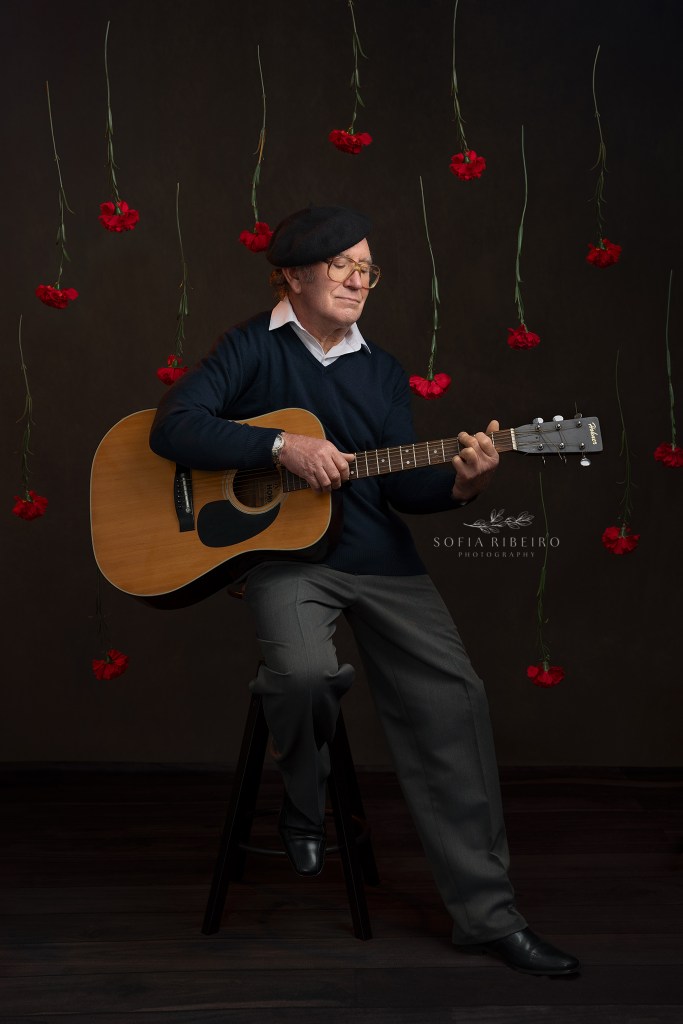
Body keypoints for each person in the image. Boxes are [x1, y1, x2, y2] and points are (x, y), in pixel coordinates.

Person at [149, 206, 580, 976]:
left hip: (380, 559)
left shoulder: (379, 369)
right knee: (305, 673)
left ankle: (487, 917)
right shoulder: (249, 347)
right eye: (342, 264)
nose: (358, 280)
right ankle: (304, 802)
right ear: (292, 274)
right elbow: (173, 427)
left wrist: (458, 482)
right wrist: (280, 445)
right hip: (287, 564)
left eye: (367, 268)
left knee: (457, 699)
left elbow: (403, 485)